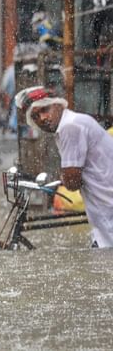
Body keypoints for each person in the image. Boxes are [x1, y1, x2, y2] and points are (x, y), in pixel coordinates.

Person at [15, 86, 113, 248]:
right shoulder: (71, 124)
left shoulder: (70, 126)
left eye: (45, 109)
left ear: (59, 105)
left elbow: (72, 182)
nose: (43, 118)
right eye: (35, 116)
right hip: (104, 212)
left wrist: (63, 179)